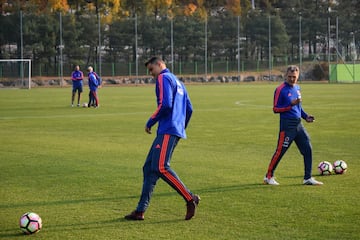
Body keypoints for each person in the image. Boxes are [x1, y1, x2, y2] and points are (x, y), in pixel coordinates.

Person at [124, 57, 200, 221]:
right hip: (173, 129)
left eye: (151, 69)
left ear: (160, 65)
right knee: (149, 168)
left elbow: (165, 104)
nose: (151, 74)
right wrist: (180, 127)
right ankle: (140, 210)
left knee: (160, 167)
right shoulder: (178, 82)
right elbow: (190, 109)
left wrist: (150, 121)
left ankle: (190, 198)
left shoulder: (163, 78)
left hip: (167, 129)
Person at [263, 65, 323, 186]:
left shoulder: (297, 88)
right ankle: (268, 177)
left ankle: (307, 178)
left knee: (308, 149)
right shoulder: (280, 89)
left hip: (298, 125)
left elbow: (298, 107)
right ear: (286, 76)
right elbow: (275, 109)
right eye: (289, 77)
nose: (292, 79)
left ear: (298, 76)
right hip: (287, 126)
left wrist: (306, 117)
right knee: (280, 152)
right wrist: (290, 105)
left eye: (294, 77)